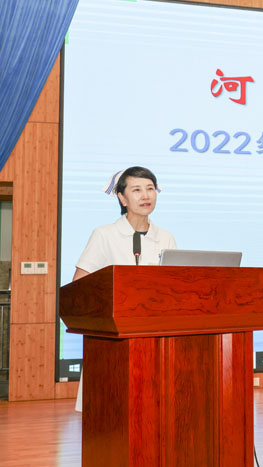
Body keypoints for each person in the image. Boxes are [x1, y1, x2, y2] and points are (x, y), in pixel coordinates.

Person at [72, 166, 176, 411]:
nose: (145, 195)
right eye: (137, 190)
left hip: (155, 337)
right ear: (122, 198)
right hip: (114, 338)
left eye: (150, 188)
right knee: (113, 409)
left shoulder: (166, 238)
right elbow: (80, 286)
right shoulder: (105, 235)